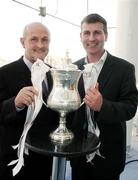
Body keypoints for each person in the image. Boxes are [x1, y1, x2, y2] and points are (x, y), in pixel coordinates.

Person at [69, 13, 138, 180]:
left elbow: (130, 108)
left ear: (105, 35)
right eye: (87, 33)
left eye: (97, 32)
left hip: (108, 155)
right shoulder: (73, 68)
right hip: (78, 153)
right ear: (81, 36)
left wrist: (102, 106)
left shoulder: (124, 69)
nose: (91, 38)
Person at [0, 22, 59, 179]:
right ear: (22, 42)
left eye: (45, 40)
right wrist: (14, 103)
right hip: (13, 160)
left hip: (46, 158)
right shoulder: (4, 73)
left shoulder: (55, 75)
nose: (40, 45)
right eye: (34, 39)